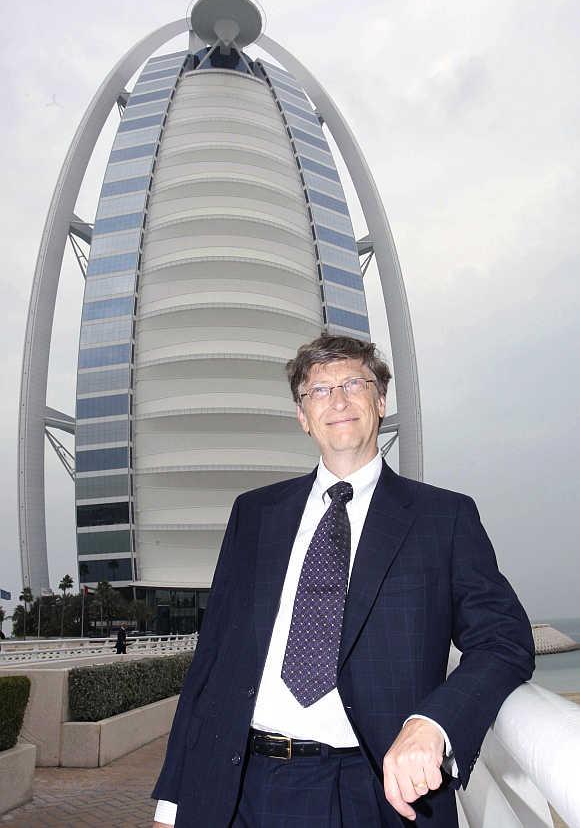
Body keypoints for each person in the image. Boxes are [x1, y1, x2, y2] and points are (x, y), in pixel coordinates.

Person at [152, 334, 534, 827]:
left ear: (380, 400)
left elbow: (504, 641)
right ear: (302, 416)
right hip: (243, 788)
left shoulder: (444, 518)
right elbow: (212, 662)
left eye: (354, 383)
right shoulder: (254, 514)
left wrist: (434, 723)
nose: (337, 400)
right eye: (319, 390)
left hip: (373, 792)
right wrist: (173, 801)